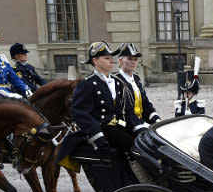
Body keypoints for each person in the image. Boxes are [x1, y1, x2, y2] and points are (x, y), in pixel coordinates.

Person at [58, 41, 143, 171]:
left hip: (119, 127)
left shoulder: (117, 82)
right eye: (107, 58)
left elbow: (127, 111)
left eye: (111, 58)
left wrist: (139, 128)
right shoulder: (88, 83)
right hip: (102, 129)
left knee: (144, 143)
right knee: (133, 147)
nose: (111, 61)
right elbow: (80, 113)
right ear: (95, 60)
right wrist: (98, 138)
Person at [113, 43, 161, 128]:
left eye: (135, 59)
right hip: (125, 124)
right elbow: (124, 111)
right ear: (120, 61)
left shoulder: (136, 79)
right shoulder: (116, 81)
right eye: (129, 59)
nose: (133, 62)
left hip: (140, 121)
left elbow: (145, 102)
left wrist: (155, 118)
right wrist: (141, 125)